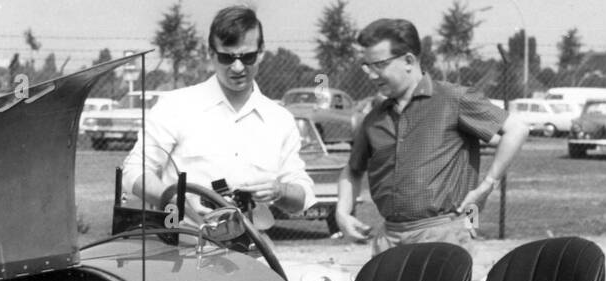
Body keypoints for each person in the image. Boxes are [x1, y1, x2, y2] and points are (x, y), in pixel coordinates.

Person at [334, 18, 528, 255]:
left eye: (379, 65)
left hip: (445, 236)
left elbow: (516, 129)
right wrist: (342, 213)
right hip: (389, 238)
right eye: (367, 66)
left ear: (408, 60)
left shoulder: (453, 99)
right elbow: (353, 169)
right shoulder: (373, 118)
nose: (371, 75)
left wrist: (486, 187)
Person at [122, 5, 315, 226]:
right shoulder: (176, 107)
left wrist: (281, 190)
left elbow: (302, 197)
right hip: (182, 247)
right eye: (226, 57)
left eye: (248, 56)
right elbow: (134, 171)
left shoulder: (279, 120)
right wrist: (179, 201)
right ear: (211, 54)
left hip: (250, 251)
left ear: (261, 52)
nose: (238, 67)